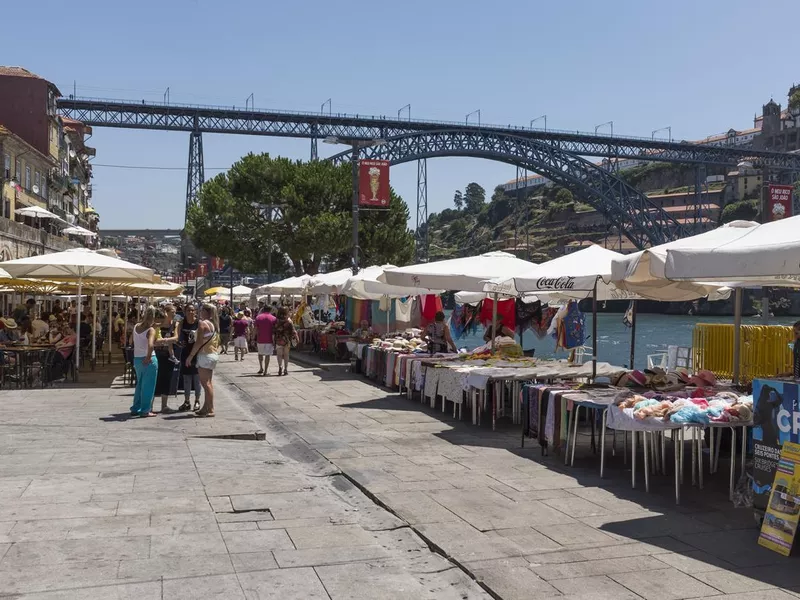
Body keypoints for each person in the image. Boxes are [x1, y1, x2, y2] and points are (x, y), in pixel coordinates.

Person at [185, 303, 219, 417]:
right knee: (209, 383)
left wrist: (190, 356)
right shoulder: (213, 324)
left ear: (205, 311)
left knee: (206, 384)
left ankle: (211, 409)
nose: (199, 312)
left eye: (201, 310)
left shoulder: (202, 323)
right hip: (212, 355)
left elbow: (199, 342)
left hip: (205, 355)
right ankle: (206, 407)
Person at [130, 306, 158, 418]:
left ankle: (135, 407)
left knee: (140, 384)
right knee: (148, 386)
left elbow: (131, 341)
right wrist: (147, 357)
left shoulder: (136, 326)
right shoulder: (150, 330)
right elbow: (150, 345)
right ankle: (145, 410)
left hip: (137, 359)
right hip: (149, 359)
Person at [154, 304, 181, 414]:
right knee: (156, 379)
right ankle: (150, 405)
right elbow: (154, 340)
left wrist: (163, 340)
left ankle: (164, 406)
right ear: (166, 312)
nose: (175, 314)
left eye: (175, 312)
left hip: (169, 356)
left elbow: (176, 338)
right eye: (173, 312)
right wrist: (167, 341)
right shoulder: (158, 324)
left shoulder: (175, 324)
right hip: (157, 354)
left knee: (167, 379)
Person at [177, 304, 201, 412]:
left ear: (195, 311)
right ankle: (187, 401)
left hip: (197, 354)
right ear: (185, 312)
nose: (191, 312)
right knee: (186, 379)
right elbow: (178, 336)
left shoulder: (199, 323)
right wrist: (179, 342)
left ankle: (197, 401)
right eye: (188, 310)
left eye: (192, 310)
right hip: (185, 353)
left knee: (196, 379)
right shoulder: (182, 323)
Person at [273, 307, 298, 376]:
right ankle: (286, 369)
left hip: (278, 340)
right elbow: (293, 331)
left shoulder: (276, 320)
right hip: (287, 340)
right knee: (286, 355)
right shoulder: (289, 321)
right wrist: (296, 338)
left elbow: (273, 331)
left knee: (279, 355)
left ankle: (280, 366)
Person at [254, 305, 277, 376]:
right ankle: (266, 370)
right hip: (269, 339)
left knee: (260, 353)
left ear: (263, 309)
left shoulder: (258, 317)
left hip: (260, 339)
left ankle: (261, 368)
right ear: (270, 310)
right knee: (267, 355)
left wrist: (252, 338)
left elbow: (255, 329)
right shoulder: (274, 318)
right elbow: (275, 330)